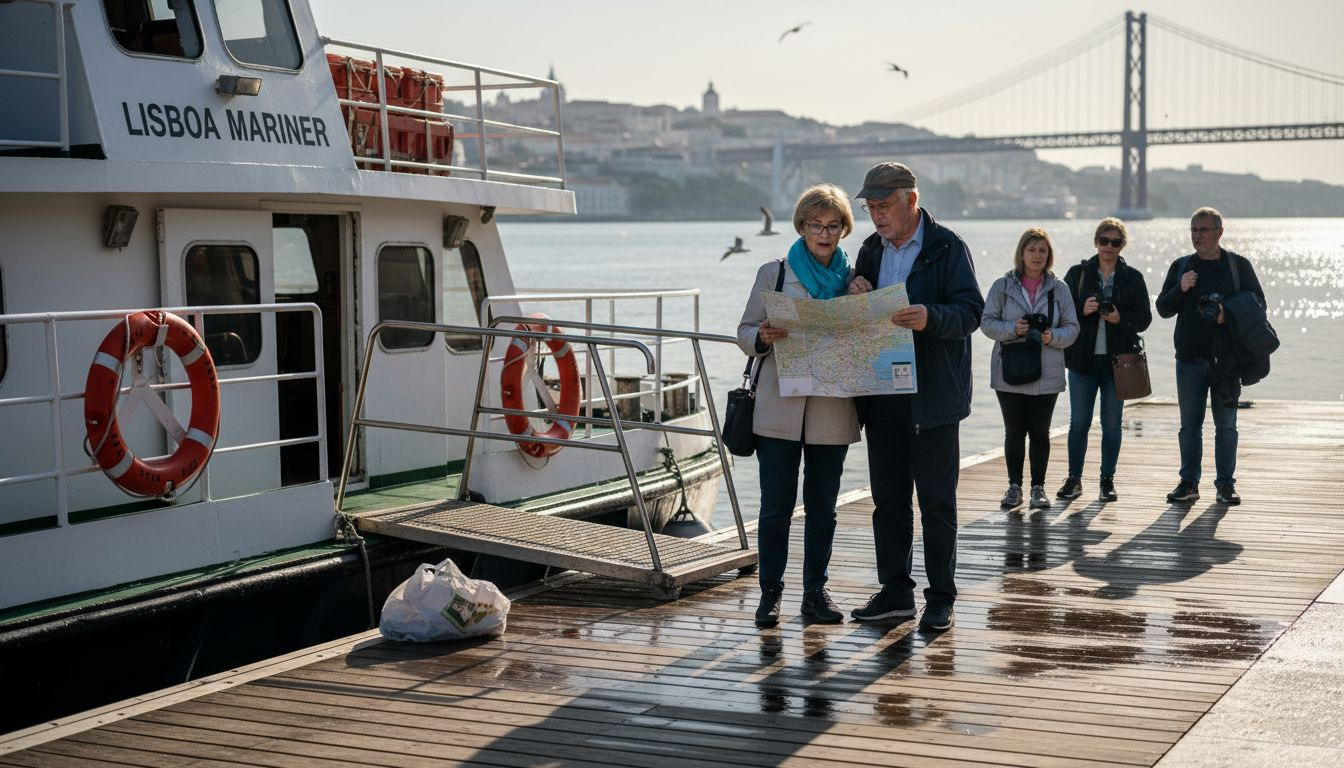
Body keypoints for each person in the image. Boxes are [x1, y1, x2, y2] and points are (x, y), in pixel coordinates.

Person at [845, 162, 984, 632]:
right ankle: (896, 594)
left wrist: (931, 317)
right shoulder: (869, 250)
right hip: (882, 393)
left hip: (934, 398)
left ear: (911, 200)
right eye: (870, 208)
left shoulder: (948, 246)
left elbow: (971, 312)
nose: (876, 216)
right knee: (888, 501)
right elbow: (858, 314)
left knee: (937, 503)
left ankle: (941, 598)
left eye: (884, 206)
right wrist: (854, 287)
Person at [736, 183, 861, 628]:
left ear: (844, 229)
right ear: (802, 227)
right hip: (777, 411)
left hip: (833, 409)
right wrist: (761, 337)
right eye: (815, 225)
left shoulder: (855, 280)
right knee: (775, 508)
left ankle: (815, 593)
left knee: (823, 509)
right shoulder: (774, 273)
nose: (824, 234)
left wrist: (862, 306)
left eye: (833, 226)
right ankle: (770, 594)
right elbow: (744, 332)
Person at [1156, 207, 1265, 505]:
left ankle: (1225, 485)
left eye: (1203, 230)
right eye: (1193, 229)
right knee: (1189, 426)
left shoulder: (1238, 266)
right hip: (1188, 360)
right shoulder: (1181, 266)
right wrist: (1181, 288)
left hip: (1227, 361)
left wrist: (1225, 314)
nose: (1198, 235)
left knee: (1226, 426)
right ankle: (1189, 483)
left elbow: (1259, 304)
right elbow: (1163, 308)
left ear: (1219, 232)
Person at [981, 228, 1079, 510]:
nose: (1037, 255)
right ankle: (1014, 487)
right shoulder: (1002, 286)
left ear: (1049, 255)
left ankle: (1038, 488)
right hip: (1009, 371)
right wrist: (1014, 328)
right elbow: (987, 323)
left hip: (1047, 372)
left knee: (1040, 431)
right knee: (1014, 431)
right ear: (1021, 253)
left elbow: (1073, 328)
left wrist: (1052, 336)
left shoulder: (1059, 289)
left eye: (1042, 250)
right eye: (1032, 249)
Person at [1058, 218, 1152, 502]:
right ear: (1096, 242)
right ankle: (1074, 479)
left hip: (1117, 363)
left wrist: (1121, 317)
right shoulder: (1078, 274)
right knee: (1079, 423)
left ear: (1123, 245)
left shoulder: (1133, 277)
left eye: (1115, 242)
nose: (1108, 246)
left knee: (1112, 423)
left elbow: (1145, 319)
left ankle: (1107, 480)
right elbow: (1059, 310)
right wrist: (1081, 309)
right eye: (1104, 240)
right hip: (1082, 361)